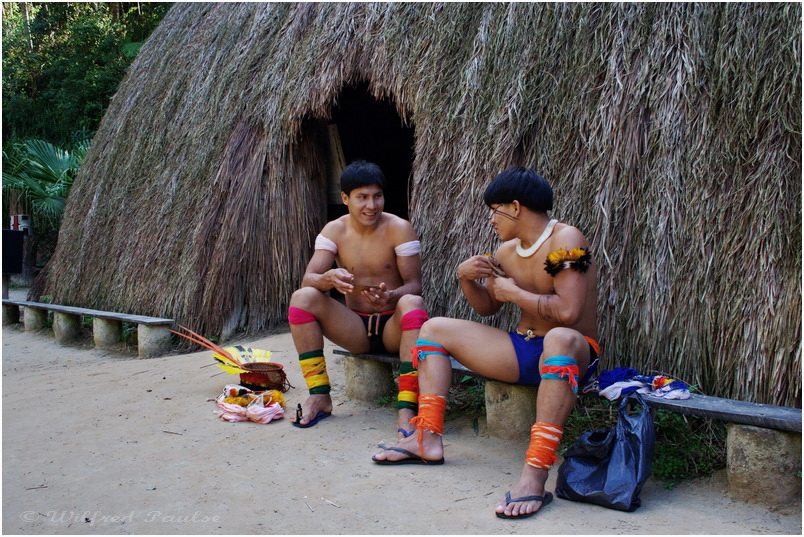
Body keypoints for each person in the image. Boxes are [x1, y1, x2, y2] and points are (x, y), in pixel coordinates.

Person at [372, 167, 599, 520]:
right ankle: (427, 437)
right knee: (433, 330)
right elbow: (489, 308)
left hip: (571, 352)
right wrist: (466, 279)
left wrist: (515, 292)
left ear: (515, 206)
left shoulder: (566, 239)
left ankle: (536, 471)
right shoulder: (506, 252)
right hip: (522, 350)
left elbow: (569, 312)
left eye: (495, 210)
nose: (492, 219)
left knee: (557, 337)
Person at [288, 160, 428, 437]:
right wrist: (326, 279)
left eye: (377, 196)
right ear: (345, 199)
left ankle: (407, 407)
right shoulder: (334, 231)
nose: (371, 205)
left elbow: (415, 286)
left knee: (412, 303)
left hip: (393, 328)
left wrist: (393, 295)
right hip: (354, 329)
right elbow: (309, 279)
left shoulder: (399, 228)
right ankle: (319, 396)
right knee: (302, 297)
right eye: (362, 197)